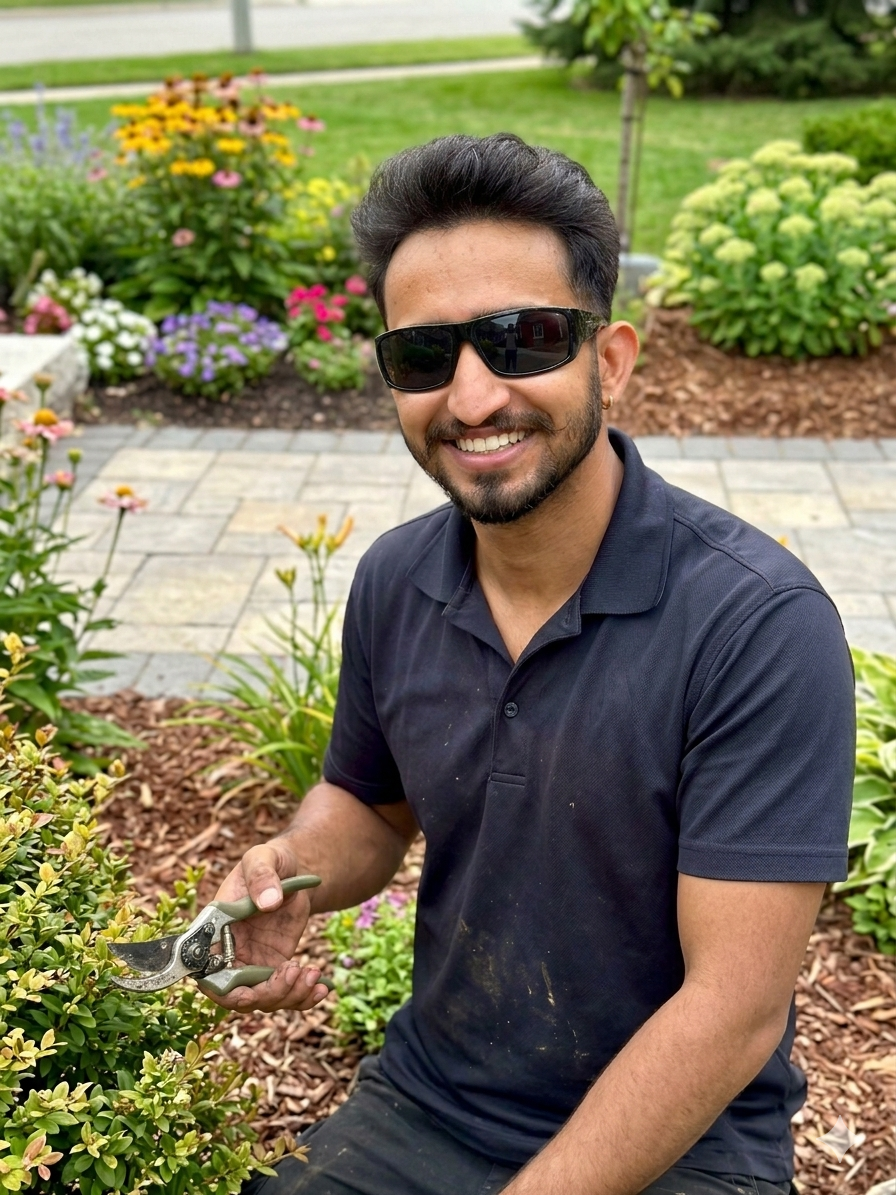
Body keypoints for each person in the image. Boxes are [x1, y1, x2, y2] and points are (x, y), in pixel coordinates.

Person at [215, 133, 855, 1195]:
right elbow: (371, 806)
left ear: (610, 361)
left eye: (522, 340)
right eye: (423, 356)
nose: (470, 400)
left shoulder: (756, 625)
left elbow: (732, 1010)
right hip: (429, 1104)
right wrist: (288, 869)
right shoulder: (395, 579)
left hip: (686, 1143)